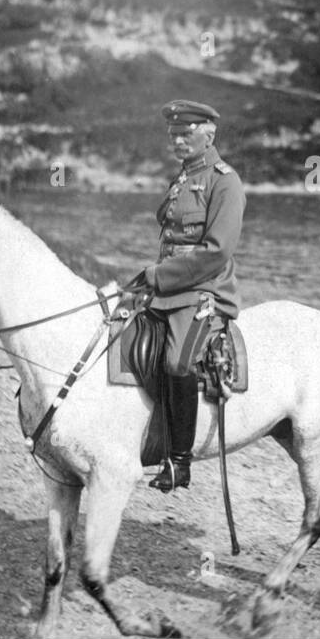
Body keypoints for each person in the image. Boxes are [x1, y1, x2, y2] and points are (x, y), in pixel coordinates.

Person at [132, 100, 245, 492]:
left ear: (209, 133)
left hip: (204, 291)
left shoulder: (224, 181)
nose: (177, 141)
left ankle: (179, 462)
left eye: (186, 133)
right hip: (169, 287)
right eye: (173, 135)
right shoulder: (184, 177)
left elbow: (216, 252)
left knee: (178, 362)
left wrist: (158, 276)